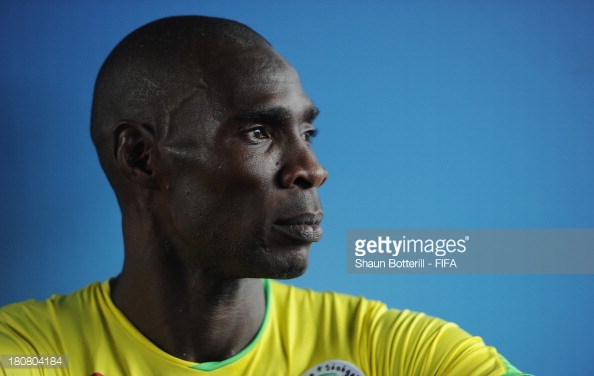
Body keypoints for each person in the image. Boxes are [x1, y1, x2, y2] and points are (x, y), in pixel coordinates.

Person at [0, 16, 529, 375]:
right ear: (141, 157)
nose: (312, 170)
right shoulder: (30, 354)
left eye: (308, 133)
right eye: (259, 133)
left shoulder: (394, 351)